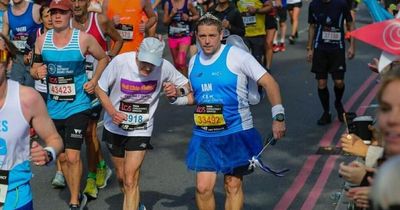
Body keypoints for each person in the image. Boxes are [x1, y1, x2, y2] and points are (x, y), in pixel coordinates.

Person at [165, 13, 286, 209]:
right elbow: (196, 96)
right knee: (203, 188)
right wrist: (174, 97)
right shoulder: (194, 60)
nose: (206, 41)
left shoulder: (237, 56)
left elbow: (270, 83)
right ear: (196, 35)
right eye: (202, 36)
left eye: (212, 35)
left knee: (232, 184)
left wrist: (278, 117)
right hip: (204, 134)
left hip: (235, 131)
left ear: (221, 34)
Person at [95, 37, 192, 210]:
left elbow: (186, 84)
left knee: (131, 178)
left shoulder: (164, 66)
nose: (148, 67)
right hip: (114, 126)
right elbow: (100, 88)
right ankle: (135, 203)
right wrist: (112, 112)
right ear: (138, 52)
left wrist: (177, 91)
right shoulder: (120, 62)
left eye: (152, 64)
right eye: (145, 62)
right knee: (122, 177)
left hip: (141, 128)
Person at [30, 0, 109, 209]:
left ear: (69, 15)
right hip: (53, 108)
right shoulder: (42, 41)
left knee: (73, 156)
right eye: (54, 12)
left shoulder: (83, 39)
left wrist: (94, 81)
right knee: (62, 157)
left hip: (78, 105)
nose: (57, 16)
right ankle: (75, 192)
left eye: (62, 13)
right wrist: (37, 72)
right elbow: (34, 67)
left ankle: (75, 200)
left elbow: (103, 58)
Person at [0, 33, 63, 209]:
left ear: (9, 63)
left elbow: (54, 139)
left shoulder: (27, 99)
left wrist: (48, 153)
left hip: (14, 195)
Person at [71, 0, 123, 199]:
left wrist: (109, 58)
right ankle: (101, 165)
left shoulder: (99, 20)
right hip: (76, 85)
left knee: (89, 130)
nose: (76, 4)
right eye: (72, 1)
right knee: (86, 133)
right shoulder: (67, 24)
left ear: (87, 2)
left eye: (80, 0)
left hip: (98, 84)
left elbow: (118, 39)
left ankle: (92, 177)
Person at [307, 0, 355, 125]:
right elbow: (312, 26)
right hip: (320, 49)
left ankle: (338, 103)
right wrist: (309, 48)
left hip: (337, 49)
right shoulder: (313, 5)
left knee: (339, 82)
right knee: (321, 83)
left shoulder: (341, 4)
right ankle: (326, 112)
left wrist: (352, 46)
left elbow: (350, 23)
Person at [2, 0, 42, 87]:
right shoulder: (6, 14)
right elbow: (4, 40)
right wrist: (5, 61)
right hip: (18, 57)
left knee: (31, 88)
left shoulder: (36, 9)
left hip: (34, 57)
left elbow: (48, 29)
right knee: (15, 86)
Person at [163, 0, 199, 76]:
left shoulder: (188, 3)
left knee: (181, 62)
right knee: (177, 64)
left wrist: (189, 18)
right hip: (172, 37)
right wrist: (171, 15)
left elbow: (197, 15)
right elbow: (165, 22)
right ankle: (180, 84)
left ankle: (186, 83)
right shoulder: (168, 4)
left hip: (185, 36)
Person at [237, 0, 273, 66]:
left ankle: (262, 72)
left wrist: (256, 10)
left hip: (257, 33)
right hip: (242, 33)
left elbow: (270, 7)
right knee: (242, 59)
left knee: (257, 60)